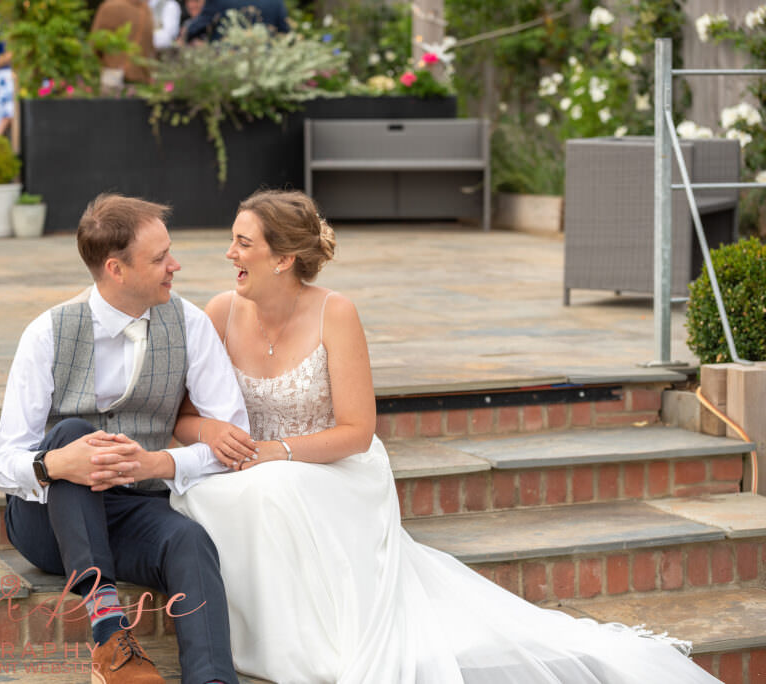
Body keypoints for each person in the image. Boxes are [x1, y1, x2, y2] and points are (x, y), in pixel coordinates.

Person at [170, 190, 722, 683]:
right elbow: (185, 419)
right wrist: (216, 434)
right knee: (200, 493)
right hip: (253, 466)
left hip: (333, 469)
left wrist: (278, 452)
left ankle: (304, 649)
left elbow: (358, 433)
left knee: (278, 491)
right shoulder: (220, 312)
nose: (230, 254)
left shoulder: (335, 314)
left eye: (243, 243)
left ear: (283, 258)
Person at [0, 194, 248, 684]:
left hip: (133, 507)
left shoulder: (189, 324)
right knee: (71, 434)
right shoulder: (47, 333)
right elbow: (3, 463)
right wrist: (56, 465)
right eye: (159, 258)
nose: (175, 265)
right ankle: (110, 637)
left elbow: (234, 439)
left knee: (189, 540)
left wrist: (158, 465)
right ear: (116, 269)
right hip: (46, 520)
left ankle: (213, 678)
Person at [91, 0, 156, 83]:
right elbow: (150, 47)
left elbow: (95, 43)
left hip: (112, 74)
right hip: (140, 77)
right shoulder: (146, 10)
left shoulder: (110, 6)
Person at [183, 0, 288, 43]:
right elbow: (285, 33)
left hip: (228, 64)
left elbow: (194, 29)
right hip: (266, 66)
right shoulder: (276, 1)